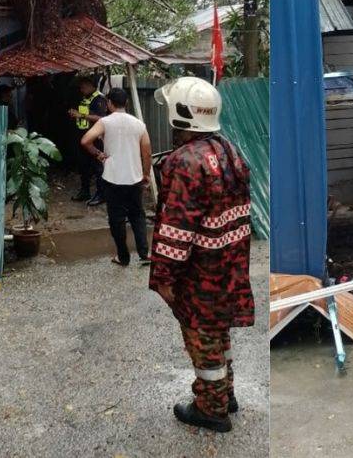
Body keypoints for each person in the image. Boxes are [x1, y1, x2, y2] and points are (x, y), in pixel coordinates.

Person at [148, 76, 253, 434]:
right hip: (230, 265)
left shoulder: (184, 162)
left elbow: (176, 230)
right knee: (218, 331)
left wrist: (163, 278)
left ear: (181, 115)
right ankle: (226, 394)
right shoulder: (228, 150)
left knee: (202, 336)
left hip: (201, 271)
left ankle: (211, 408)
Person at [79, 87, 152, 265]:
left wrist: (98, 154)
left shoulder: (105, 122)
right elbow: (147, 153)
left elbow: (85, 140)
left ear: (109, 104)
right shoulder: (138, 124)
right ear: (126, 103)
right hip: (134, 178)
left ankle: (123, 257)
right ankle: (144, 254)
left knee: (116, 219)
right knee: (137, 215)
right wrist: (146, 174)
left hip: (112, 178)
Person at [69, 77, 106, 205]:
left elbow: (101, 118)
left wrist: (82, 115)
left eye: (83, 86)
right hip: (83, 136)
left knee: (97, 167)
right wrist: (75, 113)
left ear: (91, 85)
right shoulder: (85, 98)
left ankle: (101, 194)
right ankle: (85, 191)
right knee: (83, 166)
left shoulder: (99, 99)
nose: (81, 89)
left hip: (94, 139)